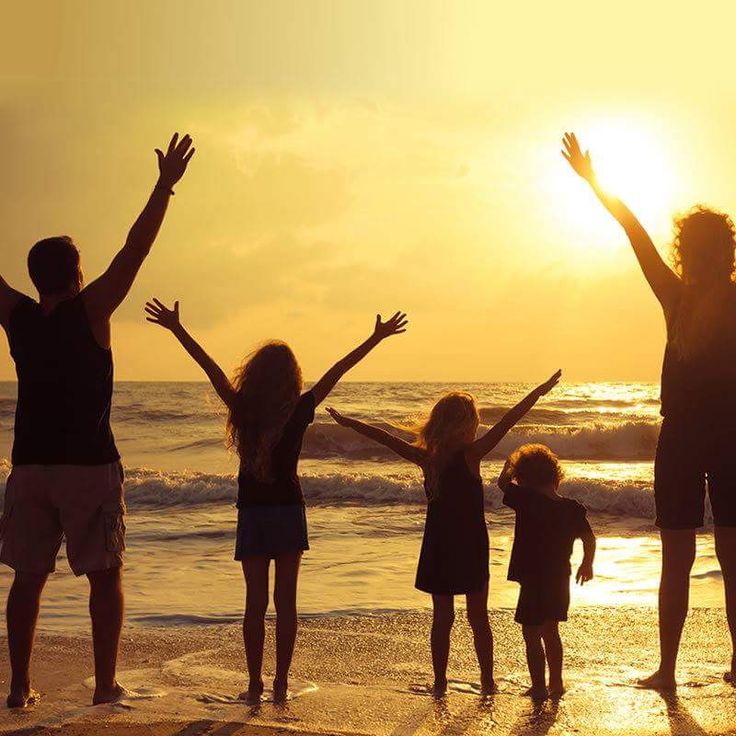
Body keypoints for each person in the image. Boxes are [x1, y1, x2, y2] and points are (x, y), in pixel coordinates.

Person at [0, 133, 195, 707]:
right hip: (88, 465)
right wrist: (163, 186)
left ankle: (17, 687)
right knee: (105, 577)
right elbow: (135, 251)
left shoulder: (19, 317)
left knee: (27, 577)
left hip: (31, 466)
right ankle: (105, 684)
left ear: (37, 278)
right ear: (78, 273)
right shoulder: (92, 309)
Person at [144, 300, 408, 702]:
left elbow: (211, 370)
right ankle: (281, 682)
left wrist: (178, 330)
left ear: (255, 375)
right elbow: (339, 370)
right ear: (291, 378)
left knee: (254, 603)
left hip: (253, 513)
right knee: (287, 603)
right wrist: (374, 339)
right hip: (287, 510)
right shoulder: (300, 409)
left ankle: (253, 683)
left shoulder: (244, 409)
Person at [563, 131, 736, 689]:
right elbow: (634, 232)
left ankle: (673, 668)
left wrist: (593, 181)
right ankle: (694, 666)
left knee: (693, 560)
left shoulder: (679, 295)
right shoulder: (682, 297)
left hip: (699, 439)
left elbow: (634, 232)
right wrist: (593, 182)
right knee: (716, 558)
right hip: (706, 438)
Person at [326, 371, 561, 697]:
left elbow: (385, 438)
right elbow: (509, 420)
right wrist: (539, 391)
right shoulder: (470, 455)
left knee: (443, 618)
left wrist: (350, 422)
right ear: (462, 425)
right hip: (470, 545)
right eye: (474, 422)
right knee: (477, 618)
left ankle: (441, 682)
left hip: (439, 545)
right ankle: (487, 682)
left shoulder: (427, 458)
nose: (477, 427)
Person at [497, 444, 595, 700]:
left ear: (524, 478)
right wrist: (587, 564)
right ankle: (557, 682)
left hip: (532, 580)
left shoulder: (526, 499)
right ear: (556, 476)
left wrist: (510, 462)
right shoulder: (573, 508)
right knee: (551, 632)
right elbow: (589, 538)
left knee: (531, 633)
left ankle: (539, 686)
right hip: (560, 579)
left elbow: (502, 483)